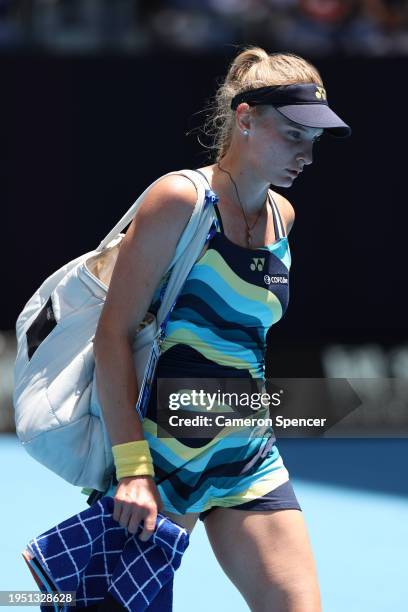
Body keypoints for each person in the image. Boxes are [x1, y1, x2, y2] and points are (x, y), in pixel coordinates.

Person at [92, 47, 350, 612]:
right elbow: (111, 336)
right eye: (292, 135)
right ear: (245, 119)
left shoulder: (285, 217)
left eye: (313, 141)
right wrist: (134, 472)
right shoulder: (179, 200)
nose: (305, 155)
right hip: (159, 461)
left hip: (247, 456)